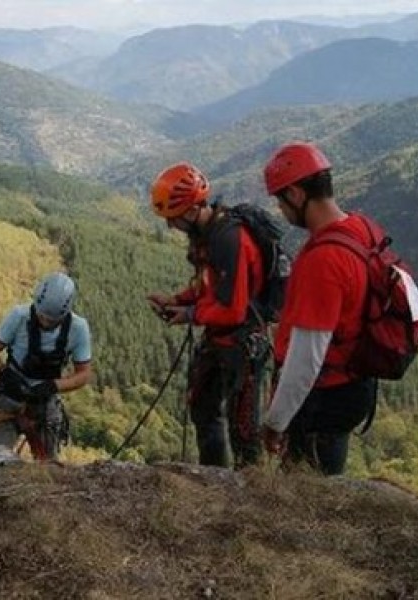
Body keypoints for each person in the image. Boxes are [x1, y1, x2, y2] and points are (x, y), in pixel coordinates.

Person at [260, 141, 376, 475]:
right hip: (354, 382)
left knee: (307, 502)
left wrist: (276, 421)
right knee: (326, 488)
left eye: (281, 202)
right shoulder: (361, 228)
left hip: (324, 397)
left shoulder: (322, 261)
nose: (282, 211)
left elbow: (306, 359)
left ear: (296, 195)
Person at [147, 162, 269, 469]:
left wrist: (189, 314)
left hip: (243, 341)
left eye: (172, 219)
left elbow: (233, 308)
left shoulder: (229, 238)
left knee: (243, 430)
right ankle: (213, 479)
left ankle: (250, 497)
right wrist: (177, 299)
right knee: (202, 406)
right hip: (219, 336)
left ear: (189, 210)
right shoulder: (206, 233)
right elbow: (209, 288)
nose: (170, 226)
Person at [0, 272, 92, 461]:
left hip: (44, 398)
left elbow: (84, 374)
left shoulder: (78, 328)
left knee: (48, 463)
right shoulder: (19, 316)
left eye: (52, 320)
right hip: (10, 393)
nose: (45, 322)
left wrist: (54, 386)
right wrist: (4, 373)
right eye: (42, 316)